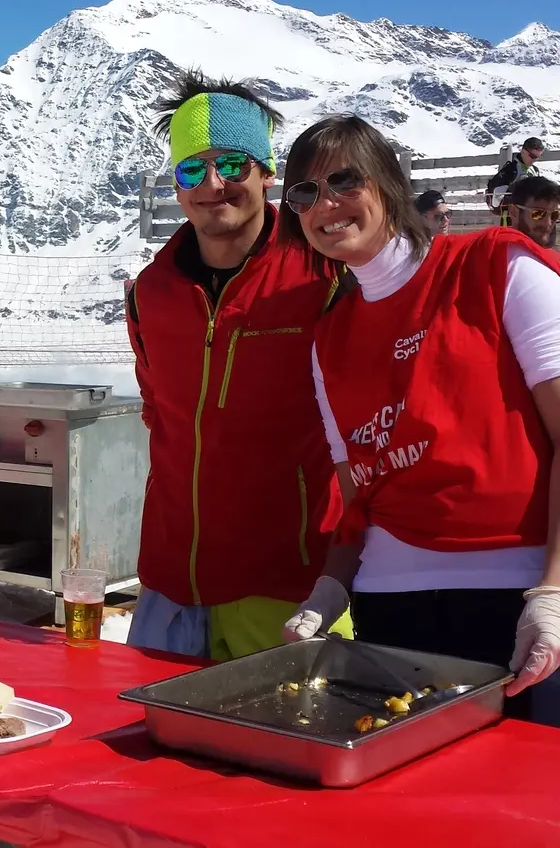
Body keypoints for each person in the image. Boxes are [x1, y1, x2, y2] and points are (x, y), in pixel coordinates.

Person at [281, 114, 560, 718]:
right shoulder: (328, 338)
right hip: (390, 605)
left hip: (517, 593)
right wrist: (332, 586)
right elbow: (360, 488)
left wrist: (554, 590)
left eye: (343, 181)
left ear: (387, 184)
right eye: (304, 193)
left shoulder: (495, 266)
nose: (325, 203)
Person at [123, 71, 349, 663]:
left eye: (233, 164)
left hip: (286, 588)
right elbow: (160, 415)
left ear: (268, 173)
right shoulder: (152, 291)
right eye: (192, 170)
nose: (213, 184)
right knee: (149, 748)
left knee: (286, 748)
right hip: (172, 582)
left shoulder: (323, 279)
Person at [488, 136, 545, 215]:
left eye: (537, 157)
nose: (534, 160)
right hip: (511, 218)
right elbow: (496, 201)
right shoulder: (510, 171)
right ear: (523, 151)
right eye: (532, 156)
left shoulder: (535, 170)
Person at [504, 176, 560, 250]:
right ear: (513, 212)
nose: (548, 223)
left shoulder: (550, 258)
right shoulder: (500, 255)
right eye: (538, 213)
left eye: (554, 214)